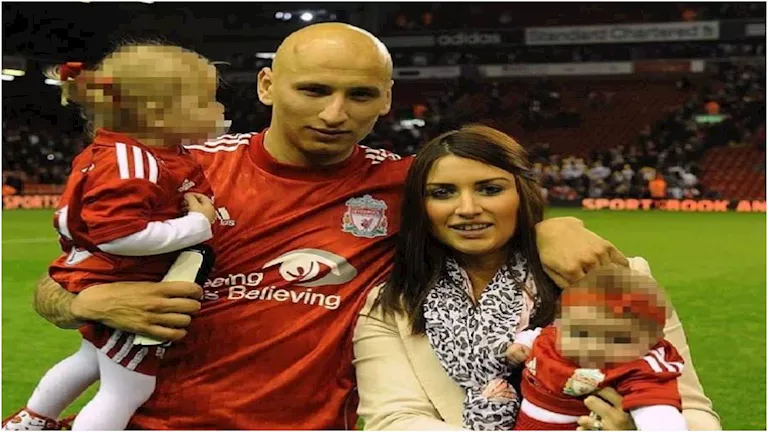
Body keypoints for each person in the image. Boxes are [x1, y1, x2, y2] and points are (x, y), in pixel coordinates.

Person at [29, 23, 631, 429]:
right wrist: (87, 301)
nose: (335, 113)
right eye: (313, 90)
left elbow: (488, 211)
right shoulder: (184, 170)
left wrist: (549, 229)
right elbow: (58, 282)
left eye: (359, 95)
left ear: (386, 99)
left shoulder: (404, 185)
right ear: (268, 85)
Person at [353, 125, 720, 430]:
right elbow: (395, 419)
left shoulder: (608, 277)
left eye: (490, 189)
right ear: (421, 207)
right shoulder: (391, 303)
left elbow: (692, 410)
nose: (467, 208)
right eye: (442, 193)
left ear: (522, 193)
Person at [3, 45, 224, 431]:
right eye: (206, 102)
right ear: (157, 113)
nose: (218, 110)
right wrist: (196, 224)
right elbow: (118, 235)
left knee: (88, 360)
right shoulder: (134, 161)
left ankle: (31, 420)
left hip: (101, 274)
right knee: (128, 389)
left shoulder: (133, 152)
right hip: (125, 282)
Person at [510, 265, 687, 431]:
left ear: (652, 341)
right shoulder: (553, 338)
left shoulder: (639, 370)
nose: (593, 348)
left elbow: (659, 411)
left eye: (618, 339)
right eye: (581, 333)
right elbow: (539, 334)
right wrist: (522, 344)